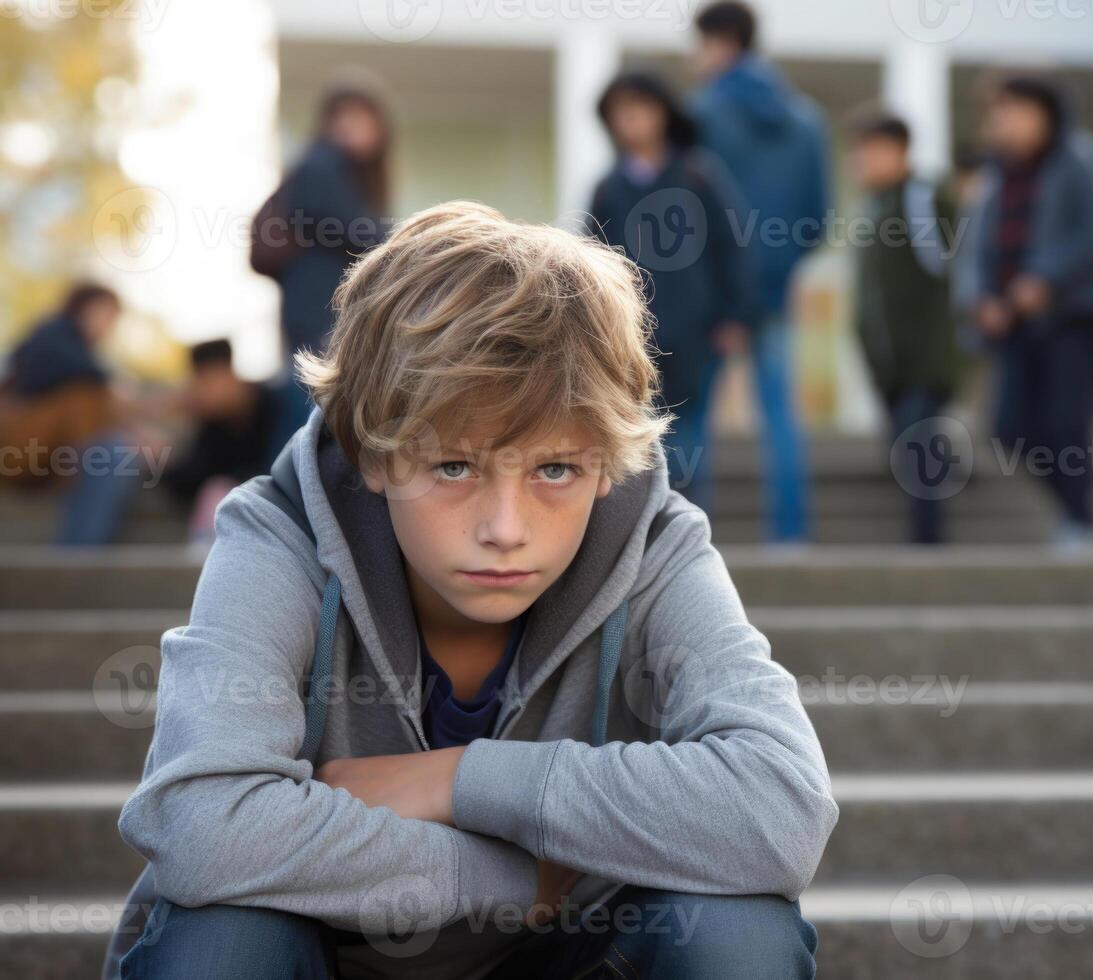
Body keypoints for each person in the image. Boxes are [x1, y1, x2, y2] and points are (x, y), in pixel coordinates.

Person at [116, 203, 835, 979]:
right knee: (224, 939)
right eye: (454, 467)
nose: (505, 528)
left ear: (602, 465)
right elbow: (202, 825)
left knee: (737, 928)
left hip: (565, 956)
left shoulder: (655, 543)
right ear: (374, 453)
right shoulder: (280, 533)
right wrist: (510, 877)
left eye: (555, 469)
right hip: (334, 952)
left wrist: (459, 779)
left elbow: (781, 808)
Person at [688, 0, 829, 544]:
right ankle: (790, 540)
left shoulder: (700, 115)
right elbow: (817, 217)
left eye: (699, 46)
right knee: (780, 418)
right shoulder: (807, 119)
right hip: (776, 290)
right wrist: (779, 269)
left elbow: (690, 212)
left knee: (691, 419)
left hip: (715, 296)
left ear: (721, 42)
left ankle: (685, 548)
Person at [586, 70, 758, 511]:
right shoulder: (608, 189)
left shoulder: (699, 175)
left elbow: (732, 245)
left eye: (640, 108)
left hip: (697, 335)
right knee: (636, 445)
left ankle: (686, 539)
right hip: (630, 342)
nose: (631, 120)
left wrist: (735, 316)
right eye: (620, 112)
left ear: (663, 113)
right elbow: (590, 263)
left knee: (689, 444)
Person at [959, 77, 1093, 552]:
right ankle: (1074, 514)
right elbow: (973, 252)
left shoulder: (1078, 161)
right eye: (999, 112)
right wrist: (980, 298)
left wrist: (1044, 279)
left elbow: (1091, 236)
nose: (1005, 121)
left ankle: (1080, 522)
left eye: (1016, 110)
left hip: (1069, 316)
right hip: (1013, 324)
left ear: (1045, 112)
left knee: (1067, 423)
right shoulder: (994, 178)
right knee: (1007, 429)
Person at [256, 78, 393, 458]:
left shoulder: (339, 174)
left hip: (317, 312)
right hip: (319, 315)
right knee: (309, 412)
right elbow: (358, 232)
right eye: (346, 117)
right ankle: (287, 504)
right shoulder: (321, 167)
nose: (354, 127)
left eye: (364, 118)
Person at [848, 110, 962, 544]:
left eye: (874, 152)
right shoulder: (874, 206)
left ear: (900, 151)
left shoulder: (922, 198)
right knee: (907, 448)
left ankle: (929, 546)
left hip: (924, 359)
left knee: (919, 448)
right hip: (887, 363)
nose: (864, 162)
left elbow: (954, 266)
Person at [0, 282, 158, 545]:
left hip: (57, 458)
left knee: (116, 453)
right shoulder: (54, 338)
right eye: (106, 315)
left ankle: (79, 557)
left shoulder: (82, 362)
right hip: (24, 453)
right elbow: (81, 376)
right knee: (115, 452)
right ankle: (77, 558)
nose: (108, 326)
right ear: (85, 308)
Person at [158, 339, 277, 546]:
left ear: (227, 373)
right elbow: (191, 479)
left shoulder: (276, 407)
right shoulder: (214, 424)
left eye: (207, 382)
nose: (202, 392)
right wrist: (163, 458)